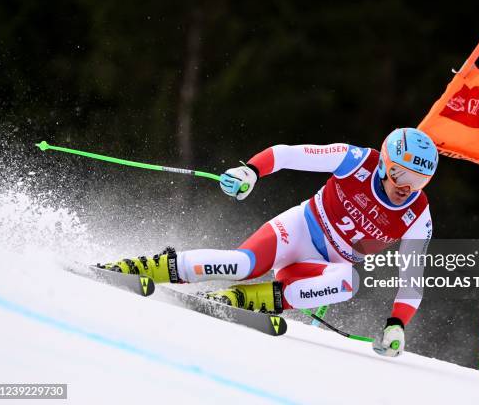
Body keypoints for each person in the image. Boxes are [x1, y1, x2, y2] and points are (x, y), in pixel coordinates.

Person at [102, 127, 438, 357]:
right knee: (241, 265)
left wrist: (397, 324)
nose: (406, 187)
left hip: (322, 266)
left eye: (419, 180)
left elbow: (413, 279)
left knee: (348, 282)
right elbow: (288, 154)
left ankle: (242, 300)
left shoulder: (418, 215)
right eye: (400, 174)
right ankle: (143, 267)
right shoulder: (355, 160)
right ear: (383, 164)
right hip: (300, 229)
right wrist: (251, 171)